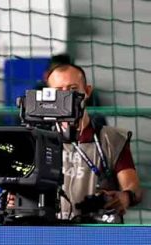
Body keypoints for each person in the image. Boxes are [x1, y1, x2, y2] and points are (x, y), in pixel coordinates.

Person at [44, 62, 142, 222]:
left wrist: (125, 197)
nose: (66, 97)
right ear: (49, 96)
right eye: (58, 91)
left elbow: (134, 188)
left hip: (98, 231)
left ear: (87, 91)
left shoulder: (112, 139)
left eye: (73, 89)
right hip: (51, 229)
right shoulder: (37, 138)